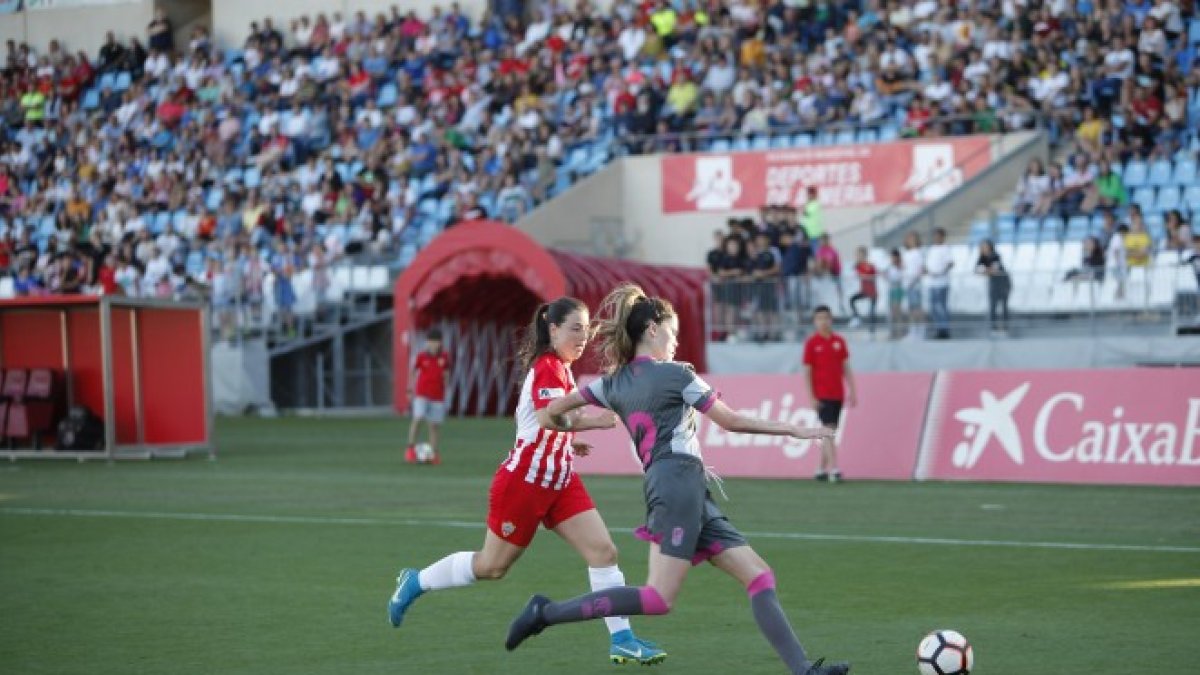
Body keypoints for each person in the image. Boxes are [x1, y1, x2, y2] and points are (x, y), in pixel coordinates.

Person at [504, 284, 846, 675]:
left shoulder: (611, 383)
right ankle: (545, 612)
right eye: (673, 332)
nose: (675, 341)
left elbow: (549, 414)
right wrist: (792, 429)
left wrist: (572, 428)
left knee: (759, 576)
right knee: (657, 598)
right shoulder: (675, 375)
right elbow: (730, 421)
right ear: (652, 328)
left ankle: (804, 669)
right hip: (676, 483)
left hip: (684, 487)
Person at [388, 298, 667, 666]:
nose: (582, 337)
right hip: (525, 483)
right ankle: (415, 582)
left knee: (604, 552)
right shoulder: (549, 366)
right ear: (553, 330)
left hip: (561, 481)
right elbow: (548, 418)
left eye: (585, 329)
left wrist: (569, 440)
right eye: (574, 328)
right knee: (492, 566)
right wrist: (591, 423)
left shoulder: (563, 370)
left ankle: (623, 640)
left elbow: (536, 424)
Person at [803, 306, 857, 483]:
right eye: (819, 318)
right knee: (828, 430)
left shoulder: (839, 341)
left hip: (838, 394)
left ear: (831, 319)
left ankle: (820, 469)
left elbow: (846, 367)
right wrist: (811, 396)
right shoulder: (812, 343)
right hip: (822, 394)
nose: (823, 322)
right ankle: (834, 468)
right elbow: (807, 372)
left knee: (831, 431)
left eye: (826, 318)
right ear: (814, 321)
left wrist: (853, 390)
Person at [405, 328, 451, 464]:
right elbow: (413, 373)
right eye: (431, 341)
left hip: (438, 395)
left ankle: (433, 453)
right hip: (422, 393)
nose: (433, 344)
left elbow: (446, 373)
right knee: (418, 418)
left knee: (434, 425)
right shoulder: (421, 357)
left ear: (440, 343)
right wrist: (409, 388)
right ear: (427, 342)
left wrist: (446, 383)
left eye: (436, 341)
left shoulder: (444, 357)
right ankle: (410, 448)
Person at [975, 240, 1011, 335]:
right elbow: (977, 270)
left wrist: (985, 271)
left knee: (1003, 306)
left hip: (1003, 283)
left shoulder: (995, 256)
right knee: (992, 306)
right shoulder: (982, 257)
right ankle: (993, 328)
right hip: (993, 284)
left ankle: (1005, 327)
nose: (983, 249)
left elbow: (994, 270)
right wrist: (987, 271)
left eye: (985, 247)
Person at [924, 228, 953, 339]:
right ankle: (938, 328)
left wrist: (940, 273)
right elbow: (928, 264)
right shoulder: (932, 249)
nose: (936, 238)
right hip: (932, 283)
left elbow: (950, 263)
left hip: (941, 283)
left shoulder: (945, 248)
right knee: (933, 307)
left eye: (938, 236)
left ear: (942, 237)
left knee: (941, 307)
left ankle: (944, 329)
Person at [847, 246, 877, 331]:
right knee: (852, 300)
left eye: (860, 255)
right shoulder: (857, 266)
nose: (858, 257)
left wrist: (864, 276)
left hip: (872, 291)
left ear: (864, 255)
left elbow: (873, 277)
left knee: (871, 313)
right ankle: (856, 317)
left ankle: (872, 330)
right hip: (863, 290)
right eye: (857, 255)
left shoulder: (870, 265)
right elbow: (852, 274)